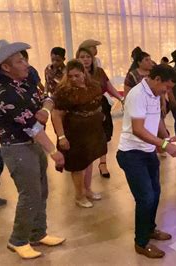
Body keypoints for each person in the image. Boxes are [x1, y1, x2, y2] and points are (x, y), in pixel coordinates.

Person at [0, 39, 65, 259]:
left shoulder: (25, 82)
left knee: (42, 191)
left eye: (24, 58)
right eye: (20, 60)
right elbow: (31, 126)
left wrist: (45, 110)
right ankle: (18, 240)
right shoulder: (3, 93)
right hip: (17, 148)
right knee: (30, 194)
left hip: (33, 144)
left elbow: (46, 98)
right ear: (6, 67)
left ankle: (38, 233)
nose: (26, 64)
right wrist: (54, 151)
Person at [116, 65, 176, 259]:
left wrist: (166, 137)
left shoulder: (154, 93)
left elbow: (157, 119)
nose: (167, 92)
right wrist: (163, 144)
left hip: (147, 151)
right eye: (166, 87)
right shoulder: (137, 95)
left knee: (155, 193)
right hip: (131, 153)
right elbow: (138, 129)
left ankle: (150, 228)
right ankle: (141, 242)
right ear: (157, 79)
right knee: (145, 197)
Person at [51, 60, 107, 208]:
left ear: (84, 73)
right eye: (70, 76)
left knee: (89, 161)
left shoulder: (94, 85)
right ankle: (79, 196)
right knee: (77, 166)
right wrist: (61, 137)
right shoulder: (64, 92)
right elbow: (56, 115)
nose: (74, 79)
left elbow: (98, 104)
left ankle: (87, 190)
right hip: (74, 133)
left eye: (77, 75)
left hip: (93, 131)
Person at [76, 47, 124, 179]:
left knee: (103, 136)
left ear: (93, 59)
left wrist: (121, 99)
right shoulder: (75, 74)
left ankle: (103, 164)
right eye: (82, 57)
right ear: (77, 59)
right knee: (87, 138)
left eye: (88, 57)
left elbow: (109, 87)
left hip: (101, 106)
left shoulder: (99, 71)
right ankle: (86, 164)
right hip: (83, 108)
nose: (85, 59)